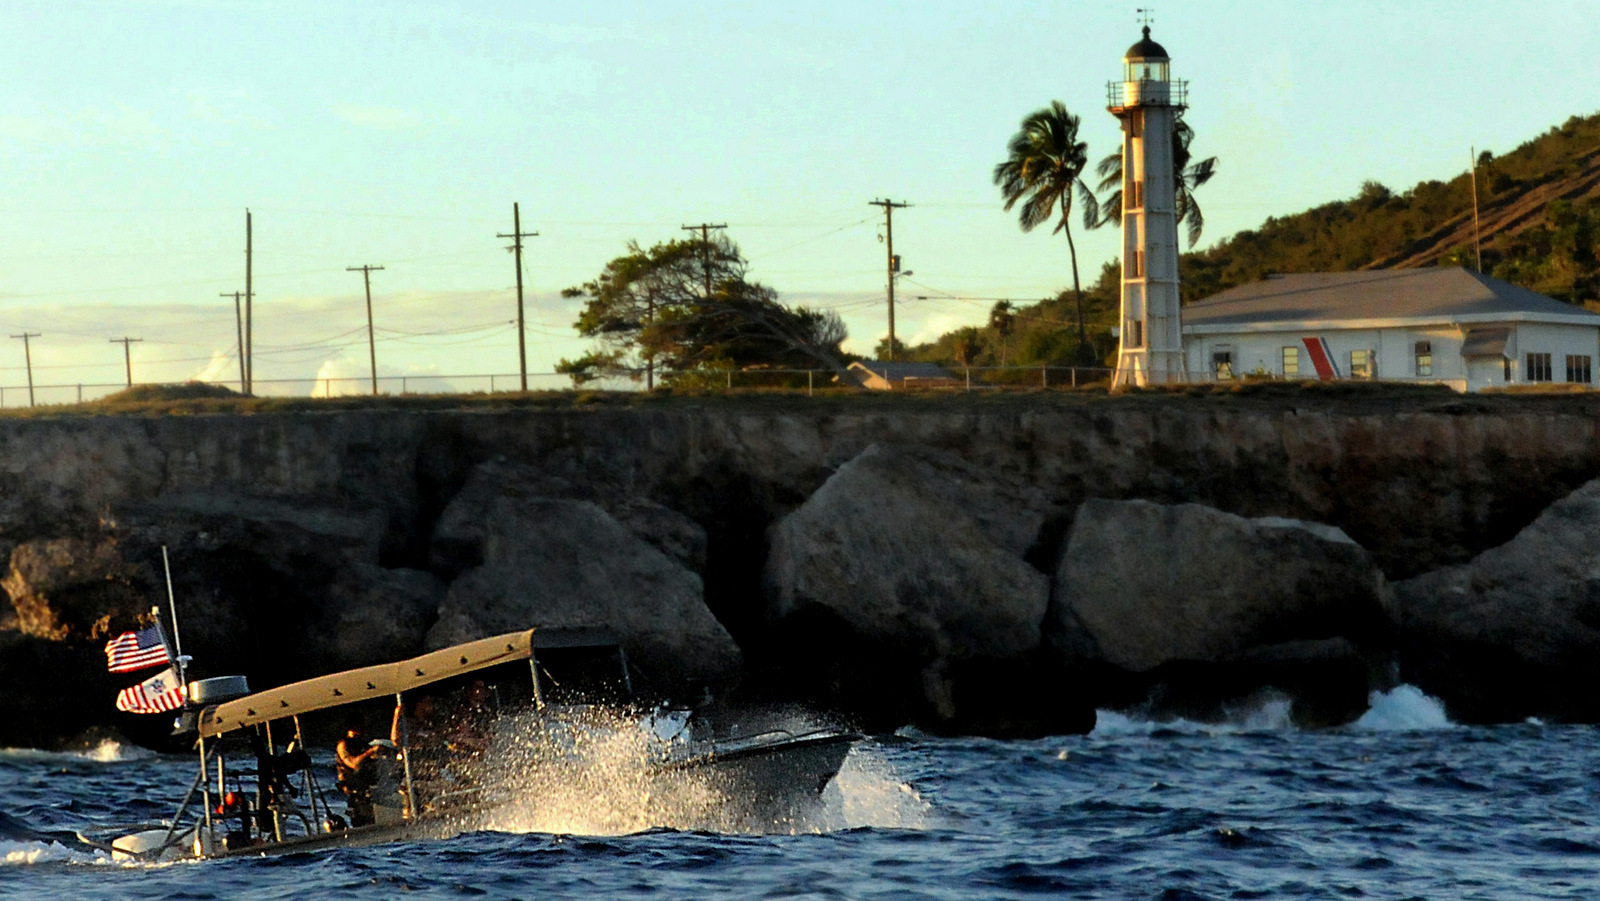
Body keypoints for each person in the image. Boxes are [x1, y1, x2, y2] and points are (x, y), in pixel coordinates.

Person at [335, 704, 401, 827]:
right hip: (356, 794)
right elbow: (353, 763)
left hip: (370, 791)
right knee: (363, 823)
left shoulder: (362, 743)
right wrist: (370, 752)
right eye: (360, 725)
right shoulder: (344, 744)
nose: (364, 728)